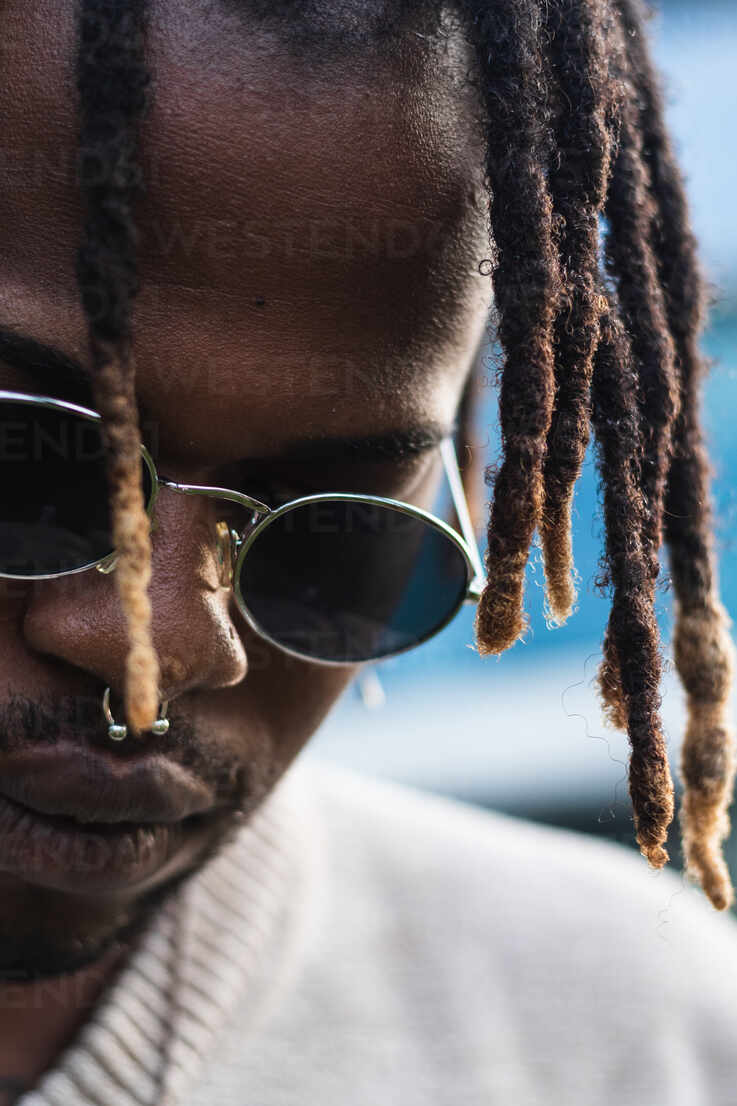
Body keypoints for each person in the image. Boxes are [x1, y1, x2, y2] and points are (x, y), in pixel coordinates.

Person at [1, 0, 737, 1103]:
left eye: (329, 530)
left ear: (469, 483)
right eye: (31, 469)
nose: (158, 645)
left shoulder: (620, 1037)